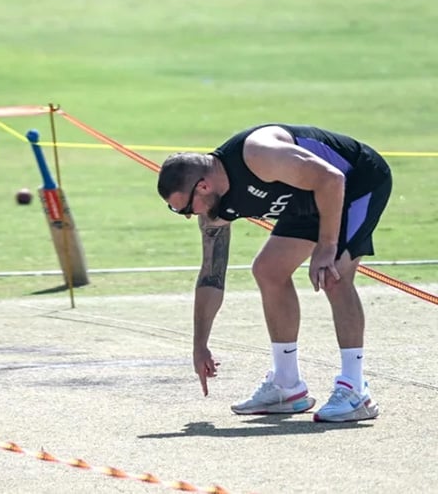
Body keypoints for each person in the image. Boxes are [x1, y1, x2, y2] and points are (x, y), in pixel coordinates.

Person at [157, 123, 391, 423]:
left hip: (355, 180)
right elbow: (210, 277)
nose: (190, 215)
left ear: (203, 186)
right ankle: (287, 385)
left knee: (334, 274)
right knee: (268, 270)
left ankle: (355, 389)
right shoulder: (214, 209)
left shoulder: (260, 154)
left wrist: (326, 245)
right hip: (305, 199)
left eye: (185, 208)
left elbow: (331, 179)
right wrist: (200, 345)